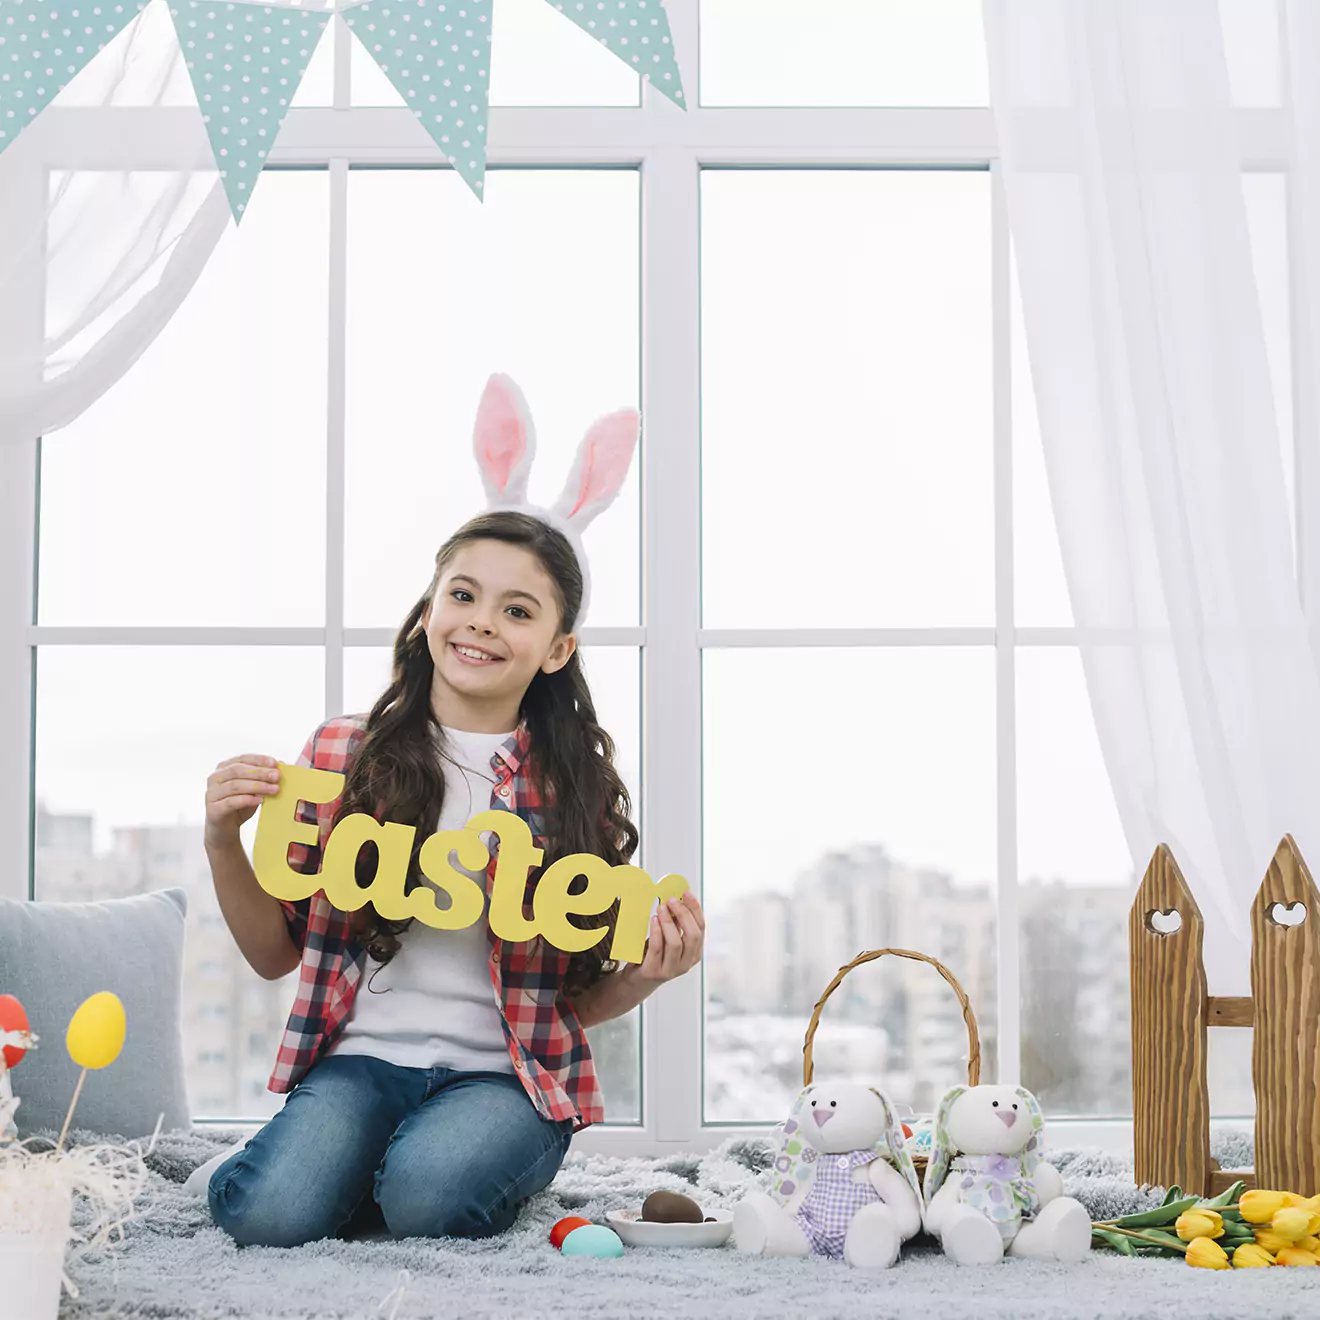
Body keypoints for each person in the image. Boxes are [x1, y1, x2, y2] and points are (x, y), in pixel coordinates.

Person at [201, 376, 705, 1246]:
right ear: (430, 607)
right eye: (463, 595)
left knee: (432, 1201)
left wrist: (652, 973)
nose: (480, 624)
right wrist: (221, 838)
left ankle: (401, 1169)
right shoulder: (340, 754)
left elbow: (573, 1003)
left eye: (518, 610)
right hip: (359, 1065)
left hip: (505, 1080)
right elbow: (272, 957)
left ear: (558, 648)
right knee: (270, 1213)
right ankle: (347, 1163)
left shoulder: (570, 787)